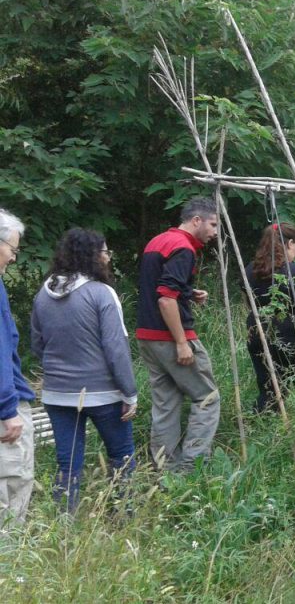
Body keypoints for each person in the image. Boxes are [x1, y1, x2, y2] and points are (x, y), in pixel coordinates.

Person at [31, 229, 137, 512]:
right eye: (105, 252)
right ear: (92, 256)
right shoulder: (102, 293)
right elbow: (116, 349)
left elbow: (37, 345)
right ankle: (123, 516)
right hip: (104, 394)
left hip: (56, 394)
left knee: (67, 465)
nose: (108, 258)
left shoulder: (43, 294)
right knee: (122, 456)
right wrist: (129, 393)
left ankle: (64, 525)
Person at [136, 197, 220, 472]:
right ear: (196, 220)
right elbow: (165, 299)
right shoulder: (184, 248)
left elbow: (159, 286)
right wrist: (182, 342)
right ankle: (192, 469)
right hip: (170, 337)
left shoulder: (157, 241)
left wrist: (187, 293)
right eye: (213, 224)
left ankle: (166, 472)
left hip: (147, 336)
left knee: (166, 404)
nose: (215, 232)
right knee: (207, 398)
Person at [244, 222, 295, 413]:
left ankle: (263, 418)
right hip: (292, 338)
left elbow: (249, 304)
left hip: (257, 335)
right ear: (290, 243)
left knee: (268, 387)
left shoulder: (250, 270)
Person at [0, 209, 35, 526]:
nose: (13, 257)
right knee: (12, 482)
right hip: (5, 412)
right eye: (12, 249)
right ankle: (9, 553)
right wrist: (7, 408)